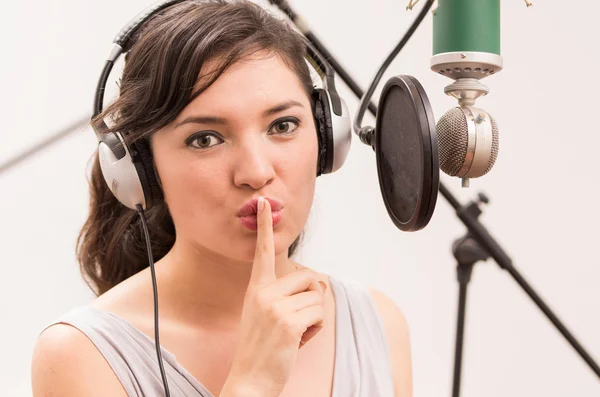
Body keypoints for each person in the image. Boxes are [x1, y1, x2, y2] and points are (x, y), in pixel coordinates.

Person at [31, 1, 412, 396]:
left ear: (326, 138)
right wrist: (253, 382)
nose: (256, 172)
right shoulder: (81, 355)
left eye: (283, 125)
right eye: (205, 139)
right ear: (140, 170)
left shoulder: (377, 325)